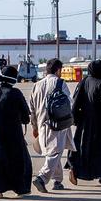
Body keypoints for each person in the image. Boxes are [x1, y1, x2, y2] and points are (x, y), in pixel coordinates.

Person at [29, 59, 76, 192]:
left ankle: (57, 181)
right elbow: (69, 102)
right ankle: (42, 178)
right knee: (55, 153)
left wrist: (34, 127)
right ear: (58, 70)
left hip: (41, 123)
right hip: (57, 124)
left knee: (53, 152)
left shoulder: (36, 85)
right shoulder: (60, 83)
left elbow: (32, 108)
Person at [0, 66, 32, 198]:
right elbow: (26, 116)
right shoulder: (15, 93)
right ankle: (20, 188)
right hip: (14, 134)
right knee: (19, 161)